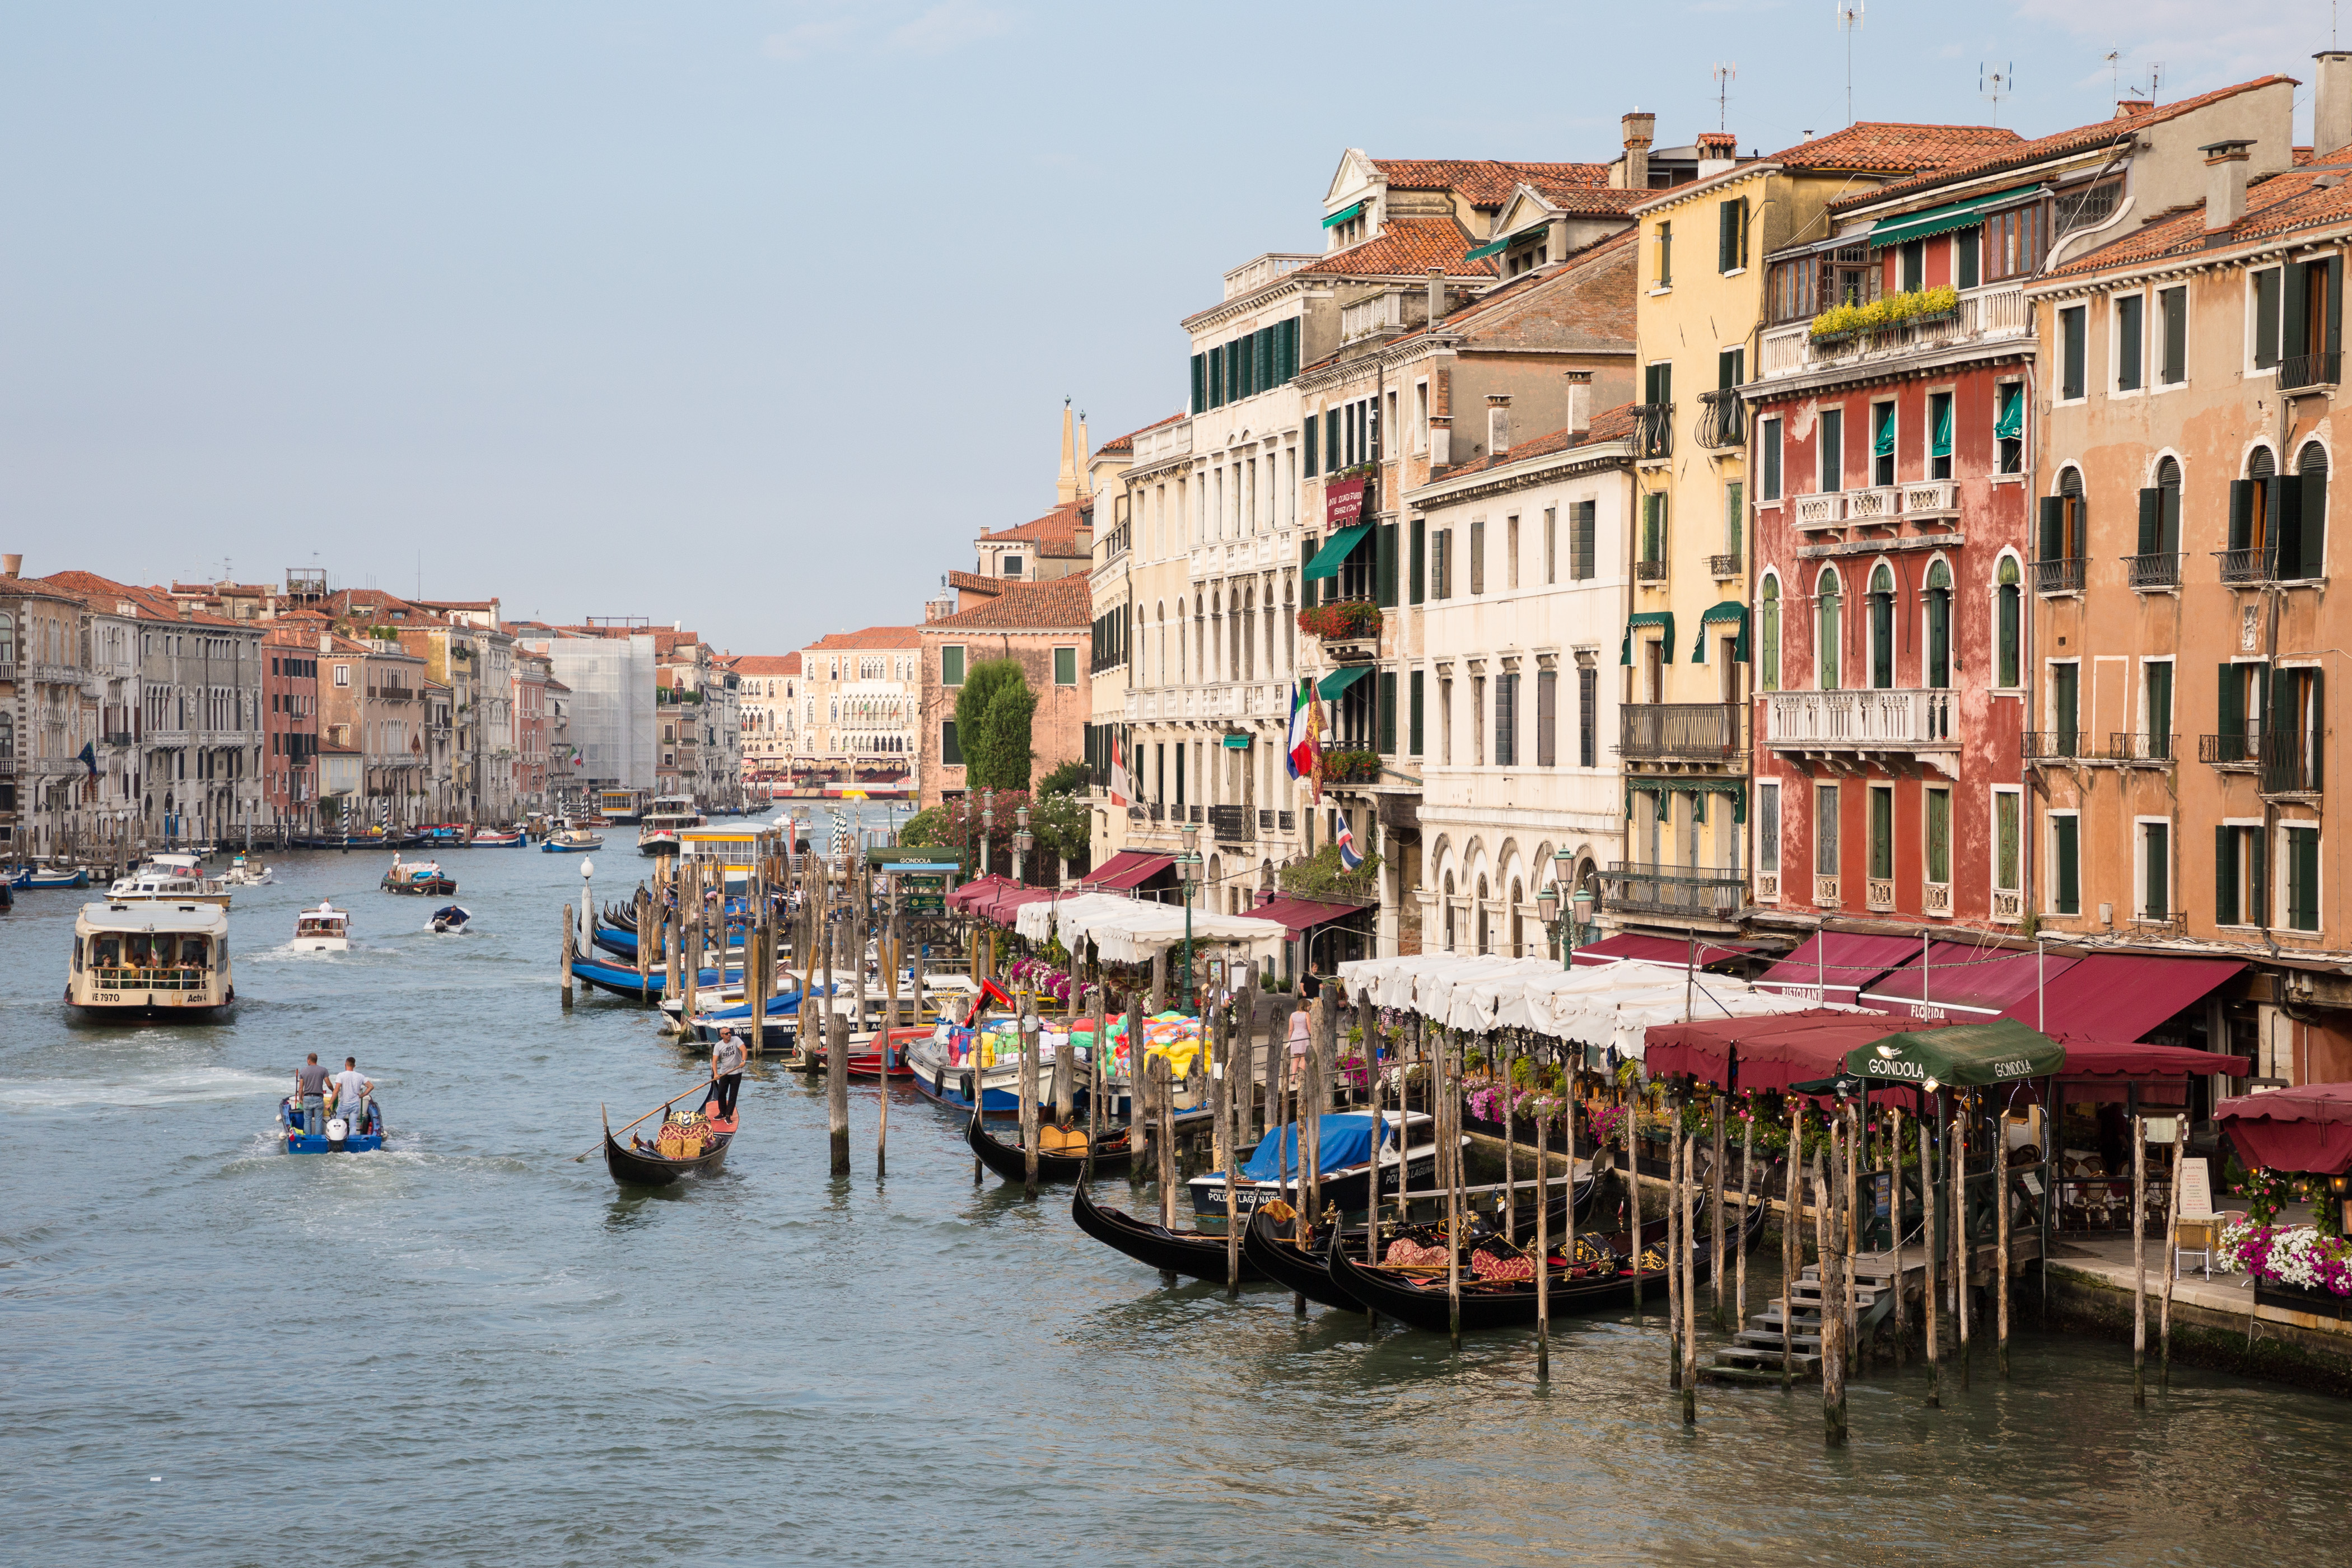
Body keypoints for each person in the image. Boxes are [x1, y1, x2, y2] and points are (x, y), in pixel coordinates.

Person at [708, 1027, 745, 1123]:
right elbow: (715, 1061)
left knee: (733, 1095)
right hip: (724, 1072)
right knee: (721, 1093)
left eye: (730, 1033)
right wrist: (716, 1074)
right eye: (727, 1033)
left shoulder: (736, 1039)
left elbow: (744, 1050)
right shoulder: (718, 1046)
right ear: (722, 1035)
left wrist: (743, 1061)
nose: (729, 1035)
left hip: (737, 1072)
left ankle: (729, 1115)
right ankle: (722, 1113)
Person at [329, 1056, 374, 1134]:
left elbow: (336, 1090)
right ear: (354, 1066)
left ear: (345, 1064)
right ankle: (352, 1142)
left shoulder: (341, 1075)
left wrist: (330, 1103)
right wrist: (362, 1095)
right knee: (353, 1126)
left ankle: (338, 1139)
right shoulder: (360, 1076)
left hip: (344, 1104)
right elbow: (371, 1087)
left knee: (336, 1122)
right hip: (355, 1104)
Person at [295, 1052, 330, 1135]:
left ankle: (308, 1138)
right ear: (316, 1060)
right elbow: (328, 1084)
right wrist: (334, 1090)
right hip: (319, 1098)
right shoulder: (323, 1070)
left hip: (307, 1098)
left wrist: (300, 1099)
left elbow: (301, 1088)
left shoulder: (304, 1071)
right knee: (318, 1120)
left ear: (309, 1061)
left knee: (307, 1120)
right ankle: (318, 1139)